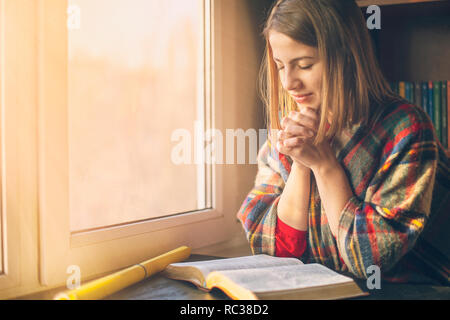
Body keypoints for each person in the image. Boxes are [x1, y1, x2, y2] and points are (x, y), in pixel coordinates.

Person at [237, 0, 449, 285]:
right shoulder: (287, 132)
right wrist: (301, 165)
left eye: (305, 65)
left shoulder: (405, 129)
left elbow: (370, 260)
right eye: (280, 66)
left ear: (347, 56)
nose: (288, 82)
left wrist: (324, 166)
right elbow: (275, 252)